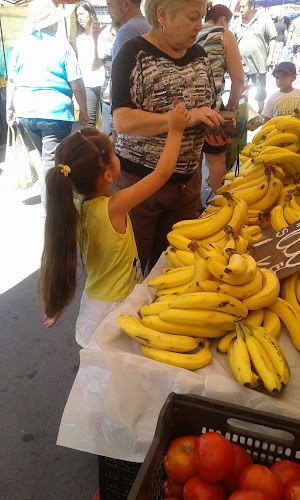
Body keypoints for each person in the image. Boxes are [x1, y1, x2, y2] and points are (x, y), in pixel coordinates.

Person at [38, 104, 191, 348]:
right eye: (114, 153)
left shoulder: (73, 212)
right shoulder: (114, 207)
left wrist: (57, 306)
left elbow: (61, 263)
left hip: (94, 304)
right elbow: (162, 174)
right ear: (108, 175)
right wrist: (175, 130)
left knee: (99, 372)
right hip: (116, 306)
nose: (117, 155)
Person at [111, 0, 231, 274]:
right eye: (192, 18)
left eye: (201, 16)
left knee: (176, 273)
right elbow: (123, 120)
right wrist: (178, 120)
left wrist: (213, 133)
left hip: (186, 188)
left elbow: (207, 107)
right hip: (140, 188)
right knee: (131, 275)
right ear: (162, 14)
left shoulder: (200, 56)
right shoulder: (133, 53)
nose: (199, 25)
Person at [6, 0, 88, 210]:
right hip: (55, 114)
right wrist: (84, 111)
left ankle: (58, 198)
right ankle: (51, 211)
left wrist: (9, 108)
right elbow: (77, 84)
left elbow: (12, 81)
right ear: (52, 23)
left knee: (47, 157)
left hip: (26, 113)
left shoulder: (21, 45)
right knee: (50, 162)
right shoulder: (62, 46)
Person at [195, 4, 244, 192]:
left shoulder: (189, 31)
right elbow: (238, 78)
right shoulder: (223, 33)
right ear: (224, 19)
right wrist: (231, 106)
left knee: (191, 159)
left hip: (187, 107)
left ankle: (194, 208)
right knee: (216, 159)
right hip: (212, 108)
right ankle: (219, 206)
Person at [106, 0, 150, 141]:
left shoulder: (127, 31)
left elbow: (120, 80)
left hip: (130, 119)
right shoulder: (148, 25)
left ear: (125, 4)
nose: (108, 12)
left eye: (109, 5)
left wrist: (115, 123)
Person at [231, 0, 277, 114]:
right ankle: (242, 113)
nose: (240, 10)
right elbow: (231, 41)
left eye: (243, 7)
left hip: (259, 64)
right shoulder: (237, 23)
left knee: (260, 91)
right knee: (241, 92)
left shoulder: (264, 19)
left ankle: (261, 112)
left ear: (251, 6)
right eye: (240, 7)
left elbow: (273, 37)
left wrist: (270, 55)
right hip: (241, 65)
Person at [74, 1, 113, 129]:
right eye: (77, 15)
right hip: (87, 84)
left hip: (103, 83)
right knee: (89, 122)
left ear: (91, 14)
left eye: (81, 14)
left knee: (107, 122)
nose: (79, 18)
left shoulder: (103, 32)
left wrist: (95, 37)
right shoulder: (79, 37)